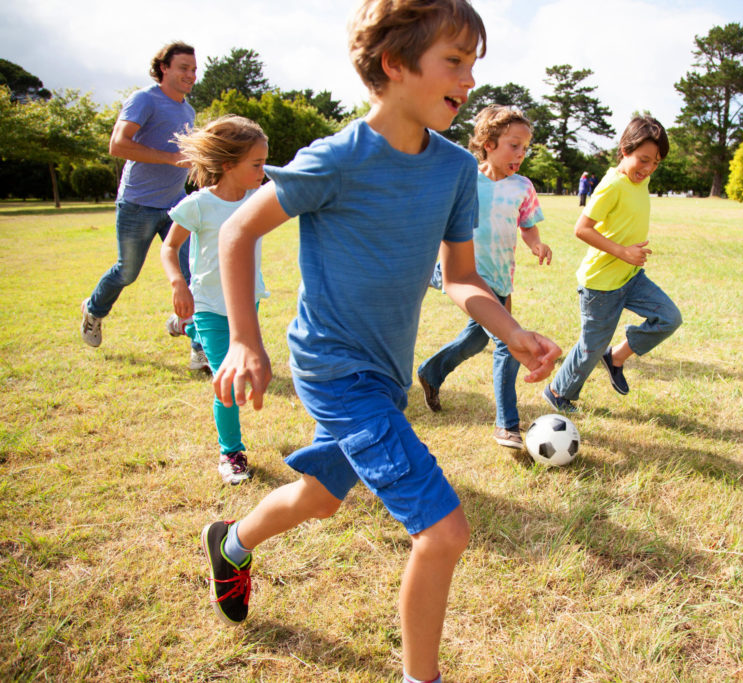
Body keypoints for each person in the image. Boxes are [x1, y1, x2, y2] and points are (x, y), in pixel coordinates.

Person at [199, 3, 560, 683]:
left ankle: (231, 540)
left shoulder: (454, 169)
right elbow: (237, 231)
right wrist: (243, 341)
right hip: (335, 370)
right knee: (444, 531)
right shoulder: (338, 159)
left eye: (473, 63)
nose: (468, 77)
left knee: (322, 495)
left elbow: (458, 278)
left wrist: (511, 330)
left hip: (385, 374)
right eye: (454, 60)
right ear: (394, 64)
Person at [417, 105, 552, 450]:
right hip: (461, 273)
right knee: (507, 344)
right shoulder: (465, 179)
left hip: (499, 279)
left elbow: (528, 226)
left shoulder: (523, 187)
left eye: (525, 148)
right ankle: (507, 424)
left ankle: (431, 373)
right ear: (488, 143)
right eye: (514, 145)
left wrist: (536, 244)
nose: (521, 154)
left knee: (477, 339)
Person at [80, 41, 208, 371]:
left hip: (175, 205)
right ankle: (94, 310)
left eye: (194, 69)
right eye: (183, 68)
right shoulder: (143, 99)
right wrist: (170, 158)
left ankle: (198, 348)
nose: (191, 75)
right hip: (137, 203)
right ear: (163, 67)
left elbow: (185, 158)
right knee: (127, 272)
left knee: (195, 272)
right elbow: (117, 144)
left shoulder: (188, 111)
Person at [542, 115, 682, 414]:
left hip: (631, 276)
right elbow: (581, 228)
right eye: (643, 160)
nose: (648, 169)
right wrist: (623, 252)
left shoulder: (640, 178)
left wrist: (629, 258)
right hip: (601, 284)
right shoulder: (611, 184)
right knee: (590, 347)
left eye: (655, 163)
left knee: (669, 318)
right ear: (624, 149)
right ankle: (557, 392)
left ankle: (616, 356)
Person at [159, 116, 270, 485]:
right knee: (229, 377)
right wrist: (179, 284)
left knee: (249, 376)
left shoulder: (258, 200)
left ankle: (182, 323)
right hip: (208, 302)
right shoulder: (199, 205)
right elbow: (169, 248)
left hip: (246, 302)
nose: (263, 171)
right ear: (227, 165)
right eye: (256, 164)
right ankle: (231, 452)